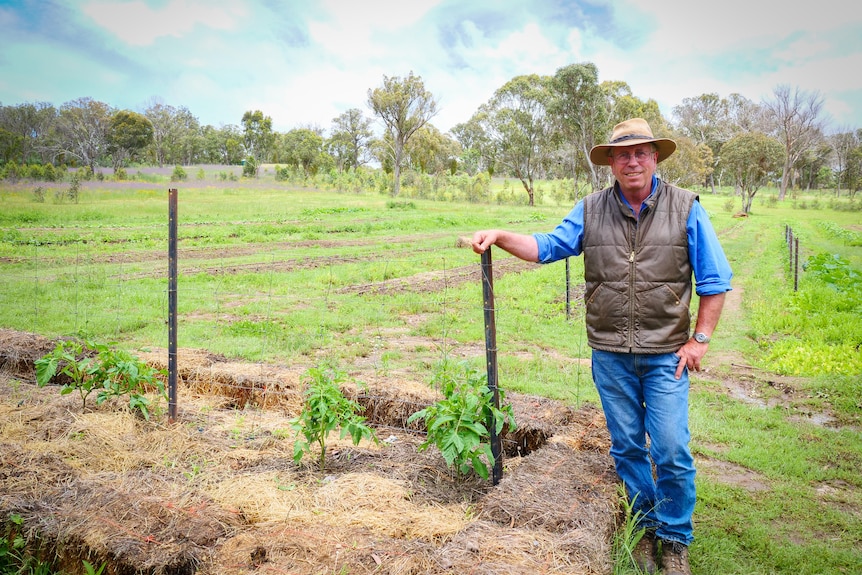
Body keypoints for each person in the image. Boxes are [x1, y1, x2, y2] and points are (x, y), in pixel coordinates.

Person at [471, 118, 732, 575]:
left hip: (666, 355)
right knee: (628, 447)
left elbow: (715, 281)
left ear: (655, 158)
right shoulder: (591, 209)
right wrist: (500, 236)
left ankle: (674, 539)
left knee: (670, 447)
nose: (633, 161)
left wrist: (700, 342)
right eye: (623, 154)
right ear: (610, 162)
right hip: (610, 354)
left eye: (642, 153)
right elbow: (549, 245)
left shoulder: (685, 207)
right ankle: (645, 529)